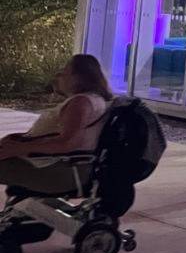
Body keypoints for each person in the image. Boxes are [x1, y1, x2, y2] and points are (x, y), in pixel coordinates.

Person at [0, 55, 112, 195]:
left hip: (60, 170)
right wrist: (20, 140)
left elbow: (68, 143)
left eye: (64, 72)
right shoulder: (94, 100)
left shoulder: (81, 103)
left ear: (77, 77)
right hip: (61, 165)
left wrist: (21, 148)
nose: (59, 76)